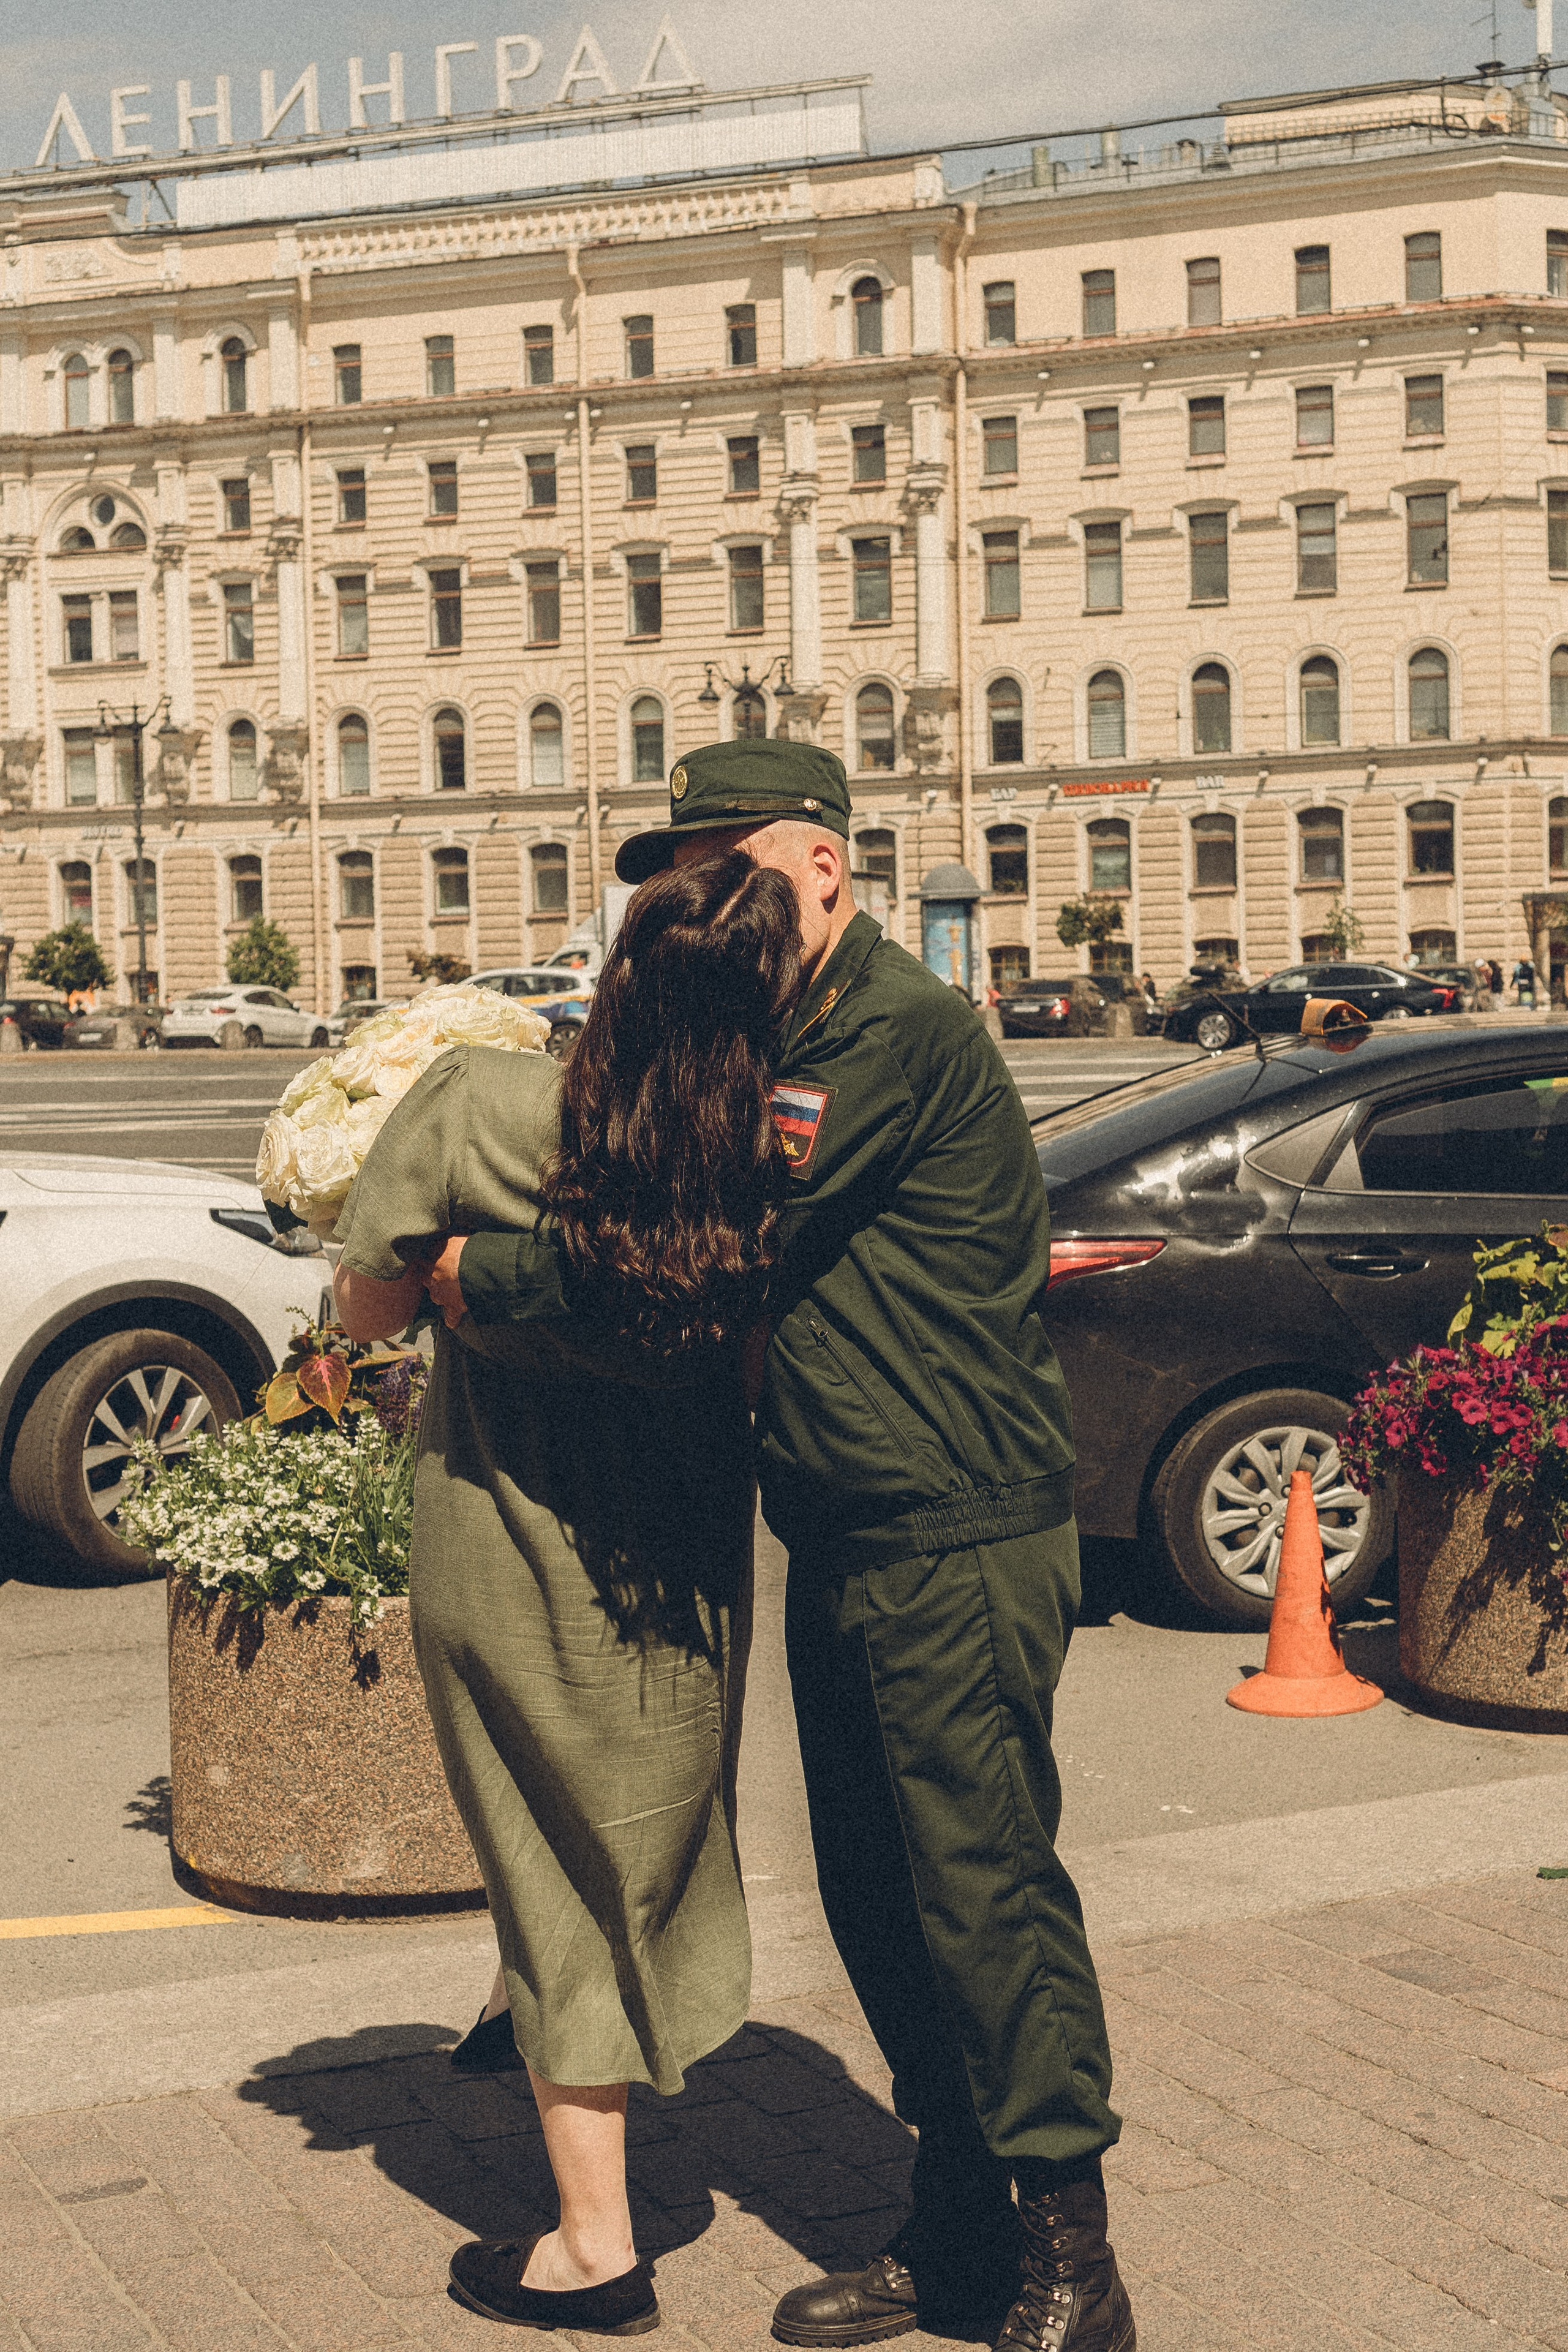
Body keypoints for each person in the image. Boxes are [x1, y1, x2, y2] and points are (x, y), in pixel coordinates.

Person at [435, 742, 1135, 2352]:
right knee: (887, 1903)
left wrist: (485, 1280)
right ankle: (958, 2229)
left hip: (953, 1530)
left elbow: (709, 1236)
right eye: (682, 887)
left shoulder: (884, 1033)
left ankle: (1071, 2265)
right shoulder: (774, 1031)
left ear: (820, 864)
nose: (697, 907)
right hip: (848, 1526)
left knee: (985, 1890)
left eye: (721, 872)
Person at [333, 854, 804, 2337]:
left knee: (542, 1858)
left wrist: (473, 1279)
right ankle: (551, 2020)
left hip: (502, 1535)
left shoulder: (478, 1101)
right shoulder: (765, 1156)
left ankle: (592, 2244)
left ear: (610, 973)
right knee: (640, 1826)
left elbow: (366, 1300)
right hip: (674, 1559)